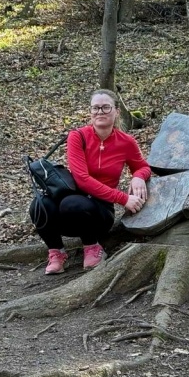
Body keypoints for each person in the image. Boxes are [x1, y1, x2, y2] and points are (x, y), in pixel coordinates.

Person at [30, 89, 151, 274]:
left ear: (117, 111)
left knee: (72, 204)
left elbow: (143, 166)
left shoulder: (126, 142)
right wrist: (123, 198)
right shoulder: (77, 136)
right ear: (90, 111)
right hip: (70, 213)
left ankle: (92, 247)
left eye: (105, 107)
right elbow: (82, 179)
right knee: (39, 205)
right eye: (95, 108)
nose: (100, 112)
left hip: (99, 213)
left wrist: (138, 176)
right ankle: (56, 252)